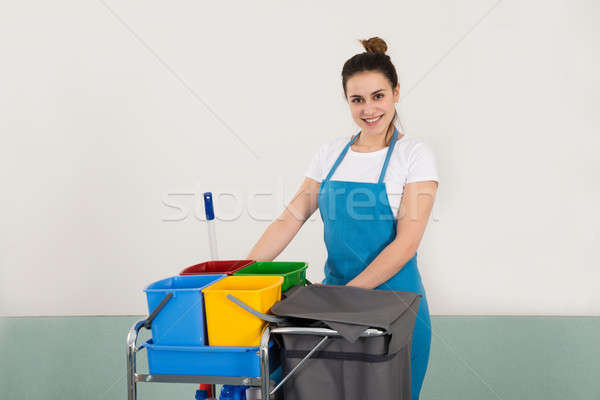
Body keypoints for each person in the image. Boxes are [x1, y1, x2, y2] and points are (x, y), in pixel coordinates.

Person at [247, 36, 438, 399]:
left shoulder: (414, 155)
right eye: (358, 99)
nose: (369, 109)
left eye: (378, 96)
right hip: (334, 316)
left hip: (394, 313)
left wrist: (342, 299)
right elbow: (291, 218)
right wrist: (242, 272)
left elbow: (407, 242)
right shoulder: (330, 153)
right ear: (347, 101)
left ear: (396, 92)